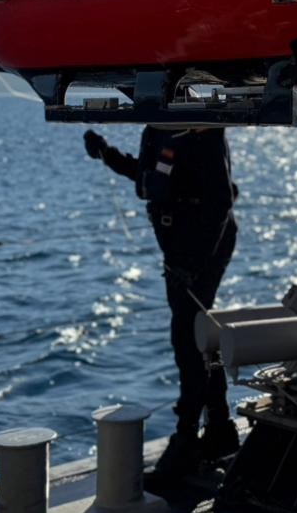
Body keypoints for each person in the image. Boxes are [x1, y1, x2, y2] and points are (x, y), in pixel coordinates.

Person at [84, 125, 240, 480]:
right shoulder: (159, 128)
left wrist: (193, 265)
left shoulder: (202, 130)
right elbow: (151, 174)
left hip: (201, 248)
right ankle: (218, 427)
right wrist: (106, 154)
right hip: (180, 250)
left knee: (188, 339)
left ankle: (188, 439)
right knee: (198, 335)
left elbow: (220, 201)